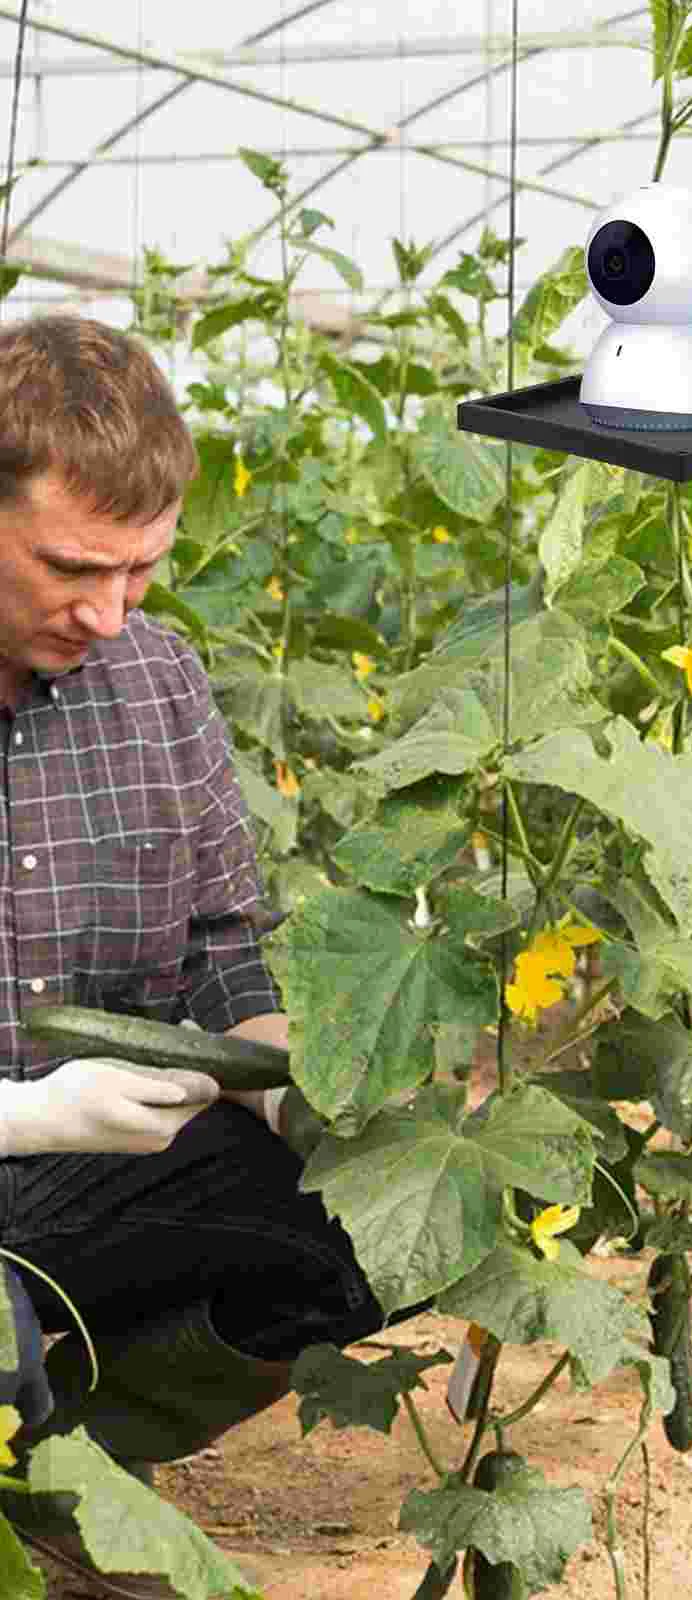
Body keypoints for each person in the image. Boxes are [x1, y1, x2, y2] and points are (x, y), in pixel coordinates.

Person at [0, 314, 412, 1599]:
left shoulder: (158, 682)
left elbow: (221, 948)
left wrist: (304, 1090)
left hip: (91, 1178)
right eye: (74, 567)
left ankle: (81, 1480)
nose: (112, 616)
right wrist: (24, 1114)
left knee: (371, 1228)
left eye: (143, 571)